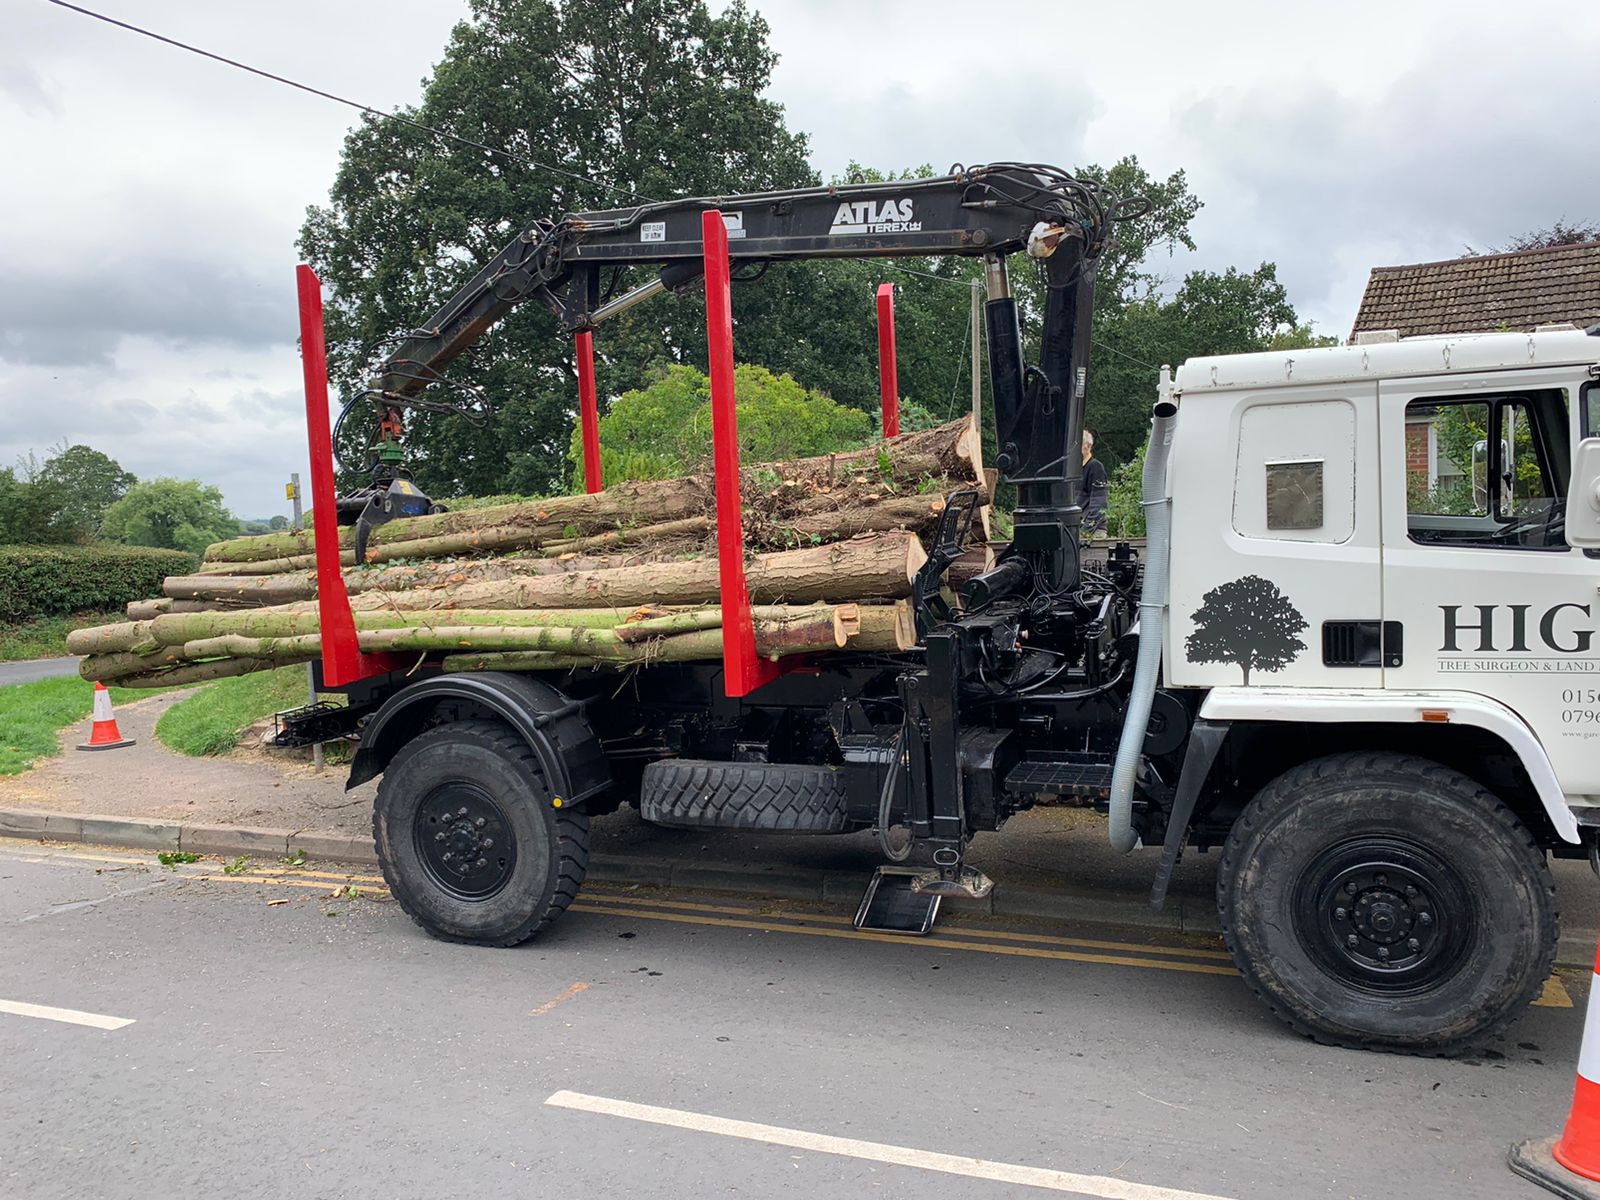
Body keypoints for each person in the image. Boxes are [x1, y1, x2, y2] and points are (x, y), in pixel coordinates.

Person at [1080, 429, 1109, 537]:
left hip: (1094, 530)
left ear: (1088, 446)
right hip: (1077, 528)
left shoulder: (1095, 467)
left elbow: (1099, 504)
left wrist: (1084, 532)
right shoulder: (1074, 470)